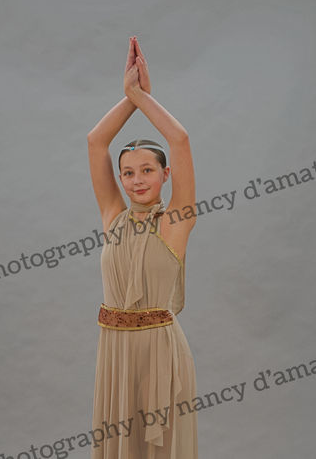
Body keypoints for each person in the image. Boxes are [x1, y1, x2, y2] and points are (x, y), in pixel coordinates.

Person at [87, 36, 198, 459]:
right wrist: (129, 97)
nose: (137, 180)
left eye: (147, 170)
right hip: (114, 354)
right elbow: (96, 141)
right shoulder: (113, 218)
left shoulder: (175, 222)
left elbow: (180, 139)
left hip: (160, 355)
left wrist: (142, 97)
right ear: (120, 178)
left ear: (165, 175)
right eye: (129, 173)